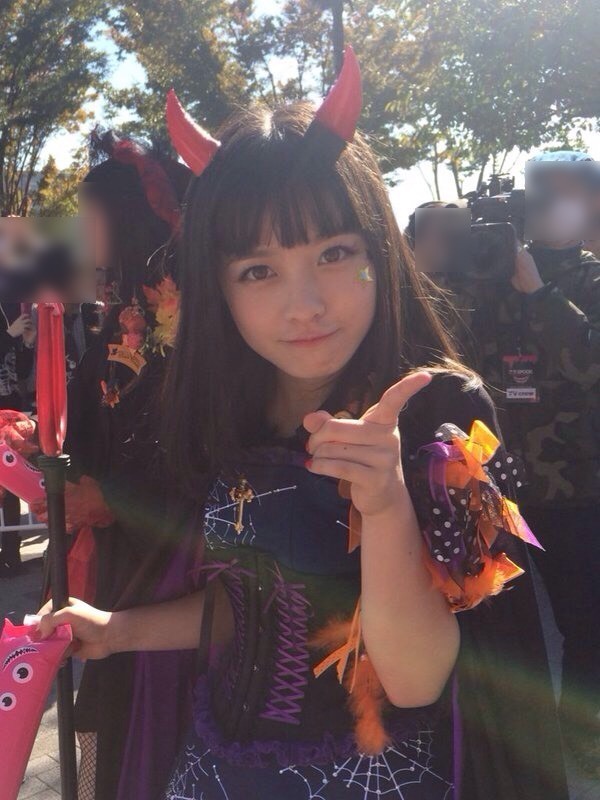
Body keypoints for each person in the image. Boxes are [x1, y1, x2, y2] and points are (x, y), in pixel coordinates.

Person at [39, 50, 566, 800]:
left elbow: (416, 681)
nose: (306, 304)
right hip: (216, 768)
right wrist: (118, 630)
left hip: (376, 777)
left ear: (380, 254)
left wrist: (386, 505)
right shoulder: (228, 410)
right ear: (218, 288)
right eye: (259, 270)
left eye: (335, 253)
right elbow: (251, 602)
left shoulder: (438, 412)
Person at [414, 152, 600, 776]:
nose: (550, 204)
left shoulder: (590, 283)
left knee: (586, 623)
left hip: (576, 488)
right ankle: (507, 746)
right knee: (499, 626)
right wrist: (450, 267)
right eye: (540, 192)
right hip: (491, 488)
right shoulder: (483, 273)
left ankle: (581, 739)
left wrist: (540, 295)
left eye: (566, 193)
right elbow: (441, 357)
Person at [34, 130, 191, 799]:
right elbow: (95, 416)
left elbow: (196, 454)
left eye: (88, 214)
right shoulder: (122, 310)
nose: (78, 230)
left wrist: (112, 496)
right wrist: (42, 445)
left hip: (167, 565)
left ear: (127, 218)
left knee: (143, 711)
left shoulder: (186, 318)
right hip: (119, 559)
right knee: (105, 705)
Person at [0, 303, 35, 576]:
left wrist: (26, 343)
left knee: (11, 483)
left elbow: (20, 373)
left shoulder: (8, 307)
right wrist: (9, 336)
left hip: (8, 411)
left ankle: (11, 554)